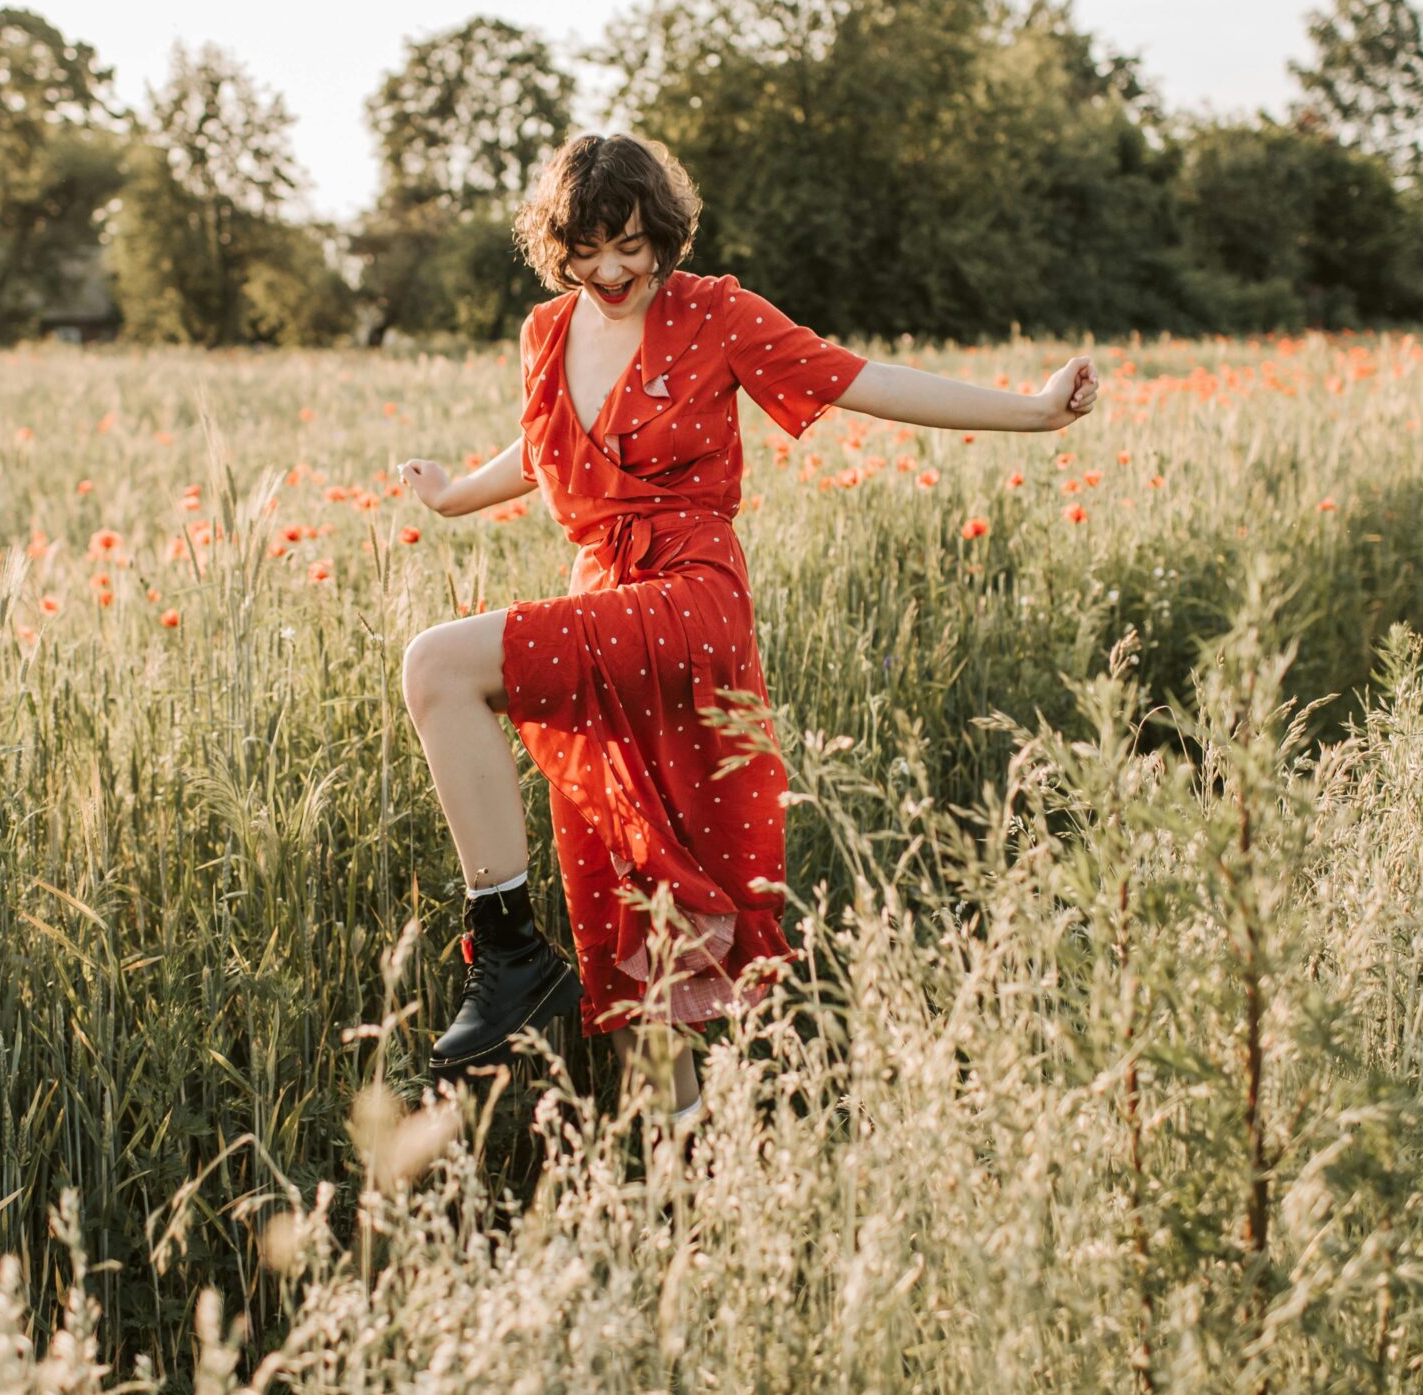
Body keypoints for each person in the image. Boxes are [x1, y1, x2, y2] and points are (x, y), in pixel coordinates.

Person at [392, 133, 1096, 1132]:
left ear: (663, 234)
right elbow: (545, 443)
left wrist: (1033, 414)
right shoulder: (546, 334)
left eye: (631, 243)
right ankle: (693, 1210)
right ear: (558, 248)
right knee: (634, 936)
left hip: (686, 598)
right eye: (587, 249)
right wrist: (456, 494)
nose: (611, 270)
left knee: (436, 664)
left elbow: (863, 379)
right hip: (605, 603)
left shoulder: (713, 313)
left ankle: (504, 954)